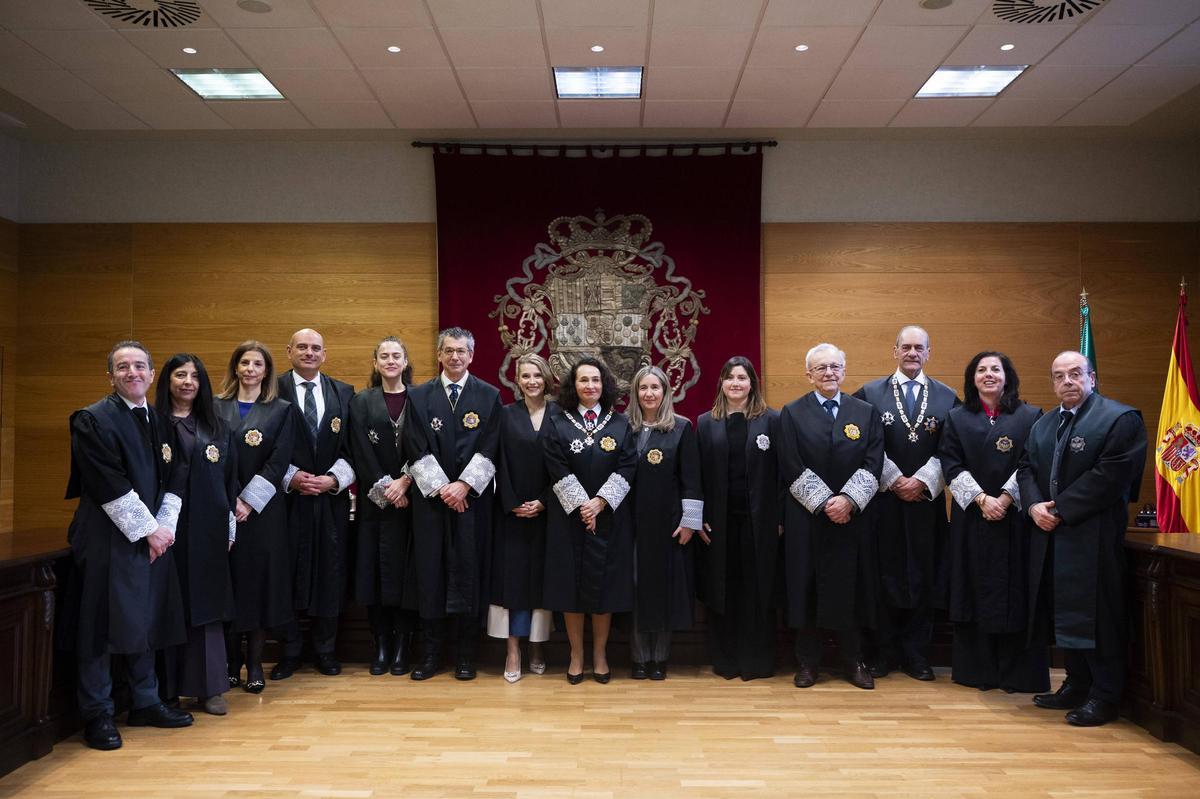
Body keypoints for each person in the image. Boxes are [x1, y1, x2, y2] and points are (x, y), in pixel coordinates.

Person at [61, 341, 193, 750]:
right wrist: (149, 531)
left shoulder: (161, 420)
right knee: (99, 625)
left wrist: (164, 528)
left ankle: (145, 701)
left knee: (146, 618)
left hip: (151, 539)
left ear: (152, 375)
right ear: (111, 376)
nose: (132, 372)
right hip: (106, 539)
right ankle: (98, 713)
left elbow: (176, 476)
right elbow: (107, 482)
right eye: (123, 367)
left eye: (139, 366)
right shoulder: (92, 420)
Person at [1019, 351, 1146, 727]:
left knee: (1098, 616)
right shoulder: (1044, 424)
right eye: (1059, 376)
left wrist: (1058, 509)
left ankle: (1105, 696)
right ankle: (1076, 684)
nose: (1068, 381)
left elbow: (1111, 476)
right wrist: (1032, 508)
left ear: (1092, 377)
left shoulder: (1119, 419)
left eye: (1076, 374)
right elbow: (1026, 469)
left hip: (1093, 538)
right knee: (1064, 611)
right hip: (1052, 537)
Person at [853, 325, 959, 681]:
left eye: (919, 348)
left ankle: (917, 655)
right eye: (906, 347)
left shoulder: (948, 398)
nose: (912, 353)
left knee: (922, 575)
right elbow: (862, 445)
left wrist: (923, 482)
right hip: (883, 502)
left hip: (926, 504)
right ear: (894, 350)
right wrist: (895, 479)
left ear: (929, 353)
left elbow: (953, 450)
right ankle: (883, 653)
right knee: (883, 574)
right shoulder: (868, 394)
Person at [940, 351, 1049, 694]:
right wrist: (981, 500)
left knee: (1016, 590)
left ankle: (1018, 674)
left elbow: (1033, 462)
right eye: (981, 370)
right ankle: (978, 671)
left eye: (995, 369)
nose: (988, 375)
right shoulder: (956, 418)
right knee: (973, 588)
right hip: (973, 518)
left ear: (1007, 376)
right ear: (972, 378)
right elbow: (950, 465)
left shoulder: (1031, 416)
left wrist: (1004, 497)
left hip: (1015, 518)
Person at [780, 343, 883, 690]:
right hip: (807, 520)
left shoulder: (865, 412)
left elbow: (874, 462)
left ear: (844, 370)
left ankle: (854, 660)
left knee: (851, 589)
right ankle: (808, 663)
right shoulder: (792, 413)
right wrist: (826, 502)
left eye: (835, 367)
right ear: (808, 374)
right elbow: (790, 463)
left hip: (851, 520)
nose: (829, 373)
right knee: (806, 588)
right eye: (821, 368)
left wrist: (848, 501)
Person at [403, 327, 502, 681]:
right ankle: (430, 656)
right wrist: (445, 488)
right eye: (449, 351)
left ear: (471, 356)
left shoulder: (490, 396)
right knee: (431, 575)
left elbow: (491, 447)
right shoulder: (418, 397)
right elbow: (415, 447)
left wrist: (464, 486)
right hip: (431, 504)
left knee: (469, 573)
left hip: (472, 505)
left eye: (462, 351)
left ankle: (466, 656)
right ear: (439, 356)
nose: (455, 356)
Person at [543, 356, 637, 684]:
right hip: (568, 520)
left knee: (604, 589)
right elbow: (555, 465)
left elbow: (628, 467)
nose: (590, 386)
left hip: (609, 519)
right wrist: (582, 505)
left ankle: (599, 653)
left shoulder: (620, 423)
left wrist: (600, 503)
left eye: (596, 380)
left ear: (605, 385)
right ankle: (576, 654)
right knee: (570, 588)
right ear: (574, 385)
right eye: (583, 380)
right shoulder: (558, 422)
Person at [154, 353, 239, 716]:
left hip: (207, 528)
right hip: (164, 530)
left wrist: (229, 524)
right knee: (168, 606)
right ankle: (167, 690)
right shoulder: (153, 424)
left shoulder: (217, 427)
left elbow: (230, 479)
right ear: (167, 381)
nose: (188, 381)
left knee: (207, 606)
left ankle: (210, 688)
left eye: (194, 376)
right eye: (180, 375)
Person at [273, 328, 355, 679]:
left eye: (316, 348)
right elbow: (261, 447)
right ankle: (289, 652)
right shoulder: (272, 389)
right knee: (286, 572)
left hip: (329, 499)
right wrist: (290, 476)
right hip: (287, 500)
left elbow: (355, 449)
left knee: (329, 572)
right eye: (302, 347)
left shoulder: (344, 393)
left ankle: (325, 649)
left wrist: (334, 479)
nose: (309, 352)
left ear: (325, 354)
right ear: (288, 350)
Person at [215, 341, 295, 695]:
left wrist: (248, 500)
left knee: (259, 588)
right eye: (244, 362)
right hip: (222, 509)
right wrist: (228, 499)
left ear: (267, 371)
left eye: (257, 364)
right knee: (228, 585)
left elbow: (279, 461)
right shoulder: (216, 408)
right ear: (235, 368)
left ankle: (255, 665)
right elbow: (209, 455)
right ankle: (230, 664)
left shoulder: (281, 409)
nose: (250, 369)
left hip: (262, 514)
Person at [695, 356, 780, 681]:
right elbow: (695, 474)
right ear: (721, 383)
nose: (735, 384)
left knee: (756, 591)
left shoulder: (771, 420)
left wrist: (780, 517)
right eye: (730, 378)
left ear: (752, 384)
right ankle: (726, 660)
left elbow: (782, 475)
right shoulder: (705, 422)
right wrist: (697, 515)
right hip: (718, 523)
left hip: (760, 523)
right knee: (724, 589)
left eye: (742, 378)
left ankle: (756, 660)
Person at [348, 336, 419, 676]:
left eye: (397, 356)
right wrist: (385, 488)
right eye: (384, 356)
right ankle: (381, 647)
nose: (391, 361)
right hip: (374, 507)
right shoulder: (361, 402)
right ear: (375, 363)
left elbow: (425, 448)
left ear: (406, 362)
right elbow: (359, 449)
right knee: (374, 576)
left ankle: (404, 647)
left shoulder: (420, 399)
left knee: (407, 577)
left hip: (412, 505)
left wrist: (405, 482)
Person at [626, 364, 702, 681]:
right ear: (635, 393)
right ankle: (638, 658)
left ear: (665, 392)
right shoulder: (621, 427)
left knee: (663, 590)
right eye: (643, 388)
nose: (649, 393)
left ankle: (659, 657)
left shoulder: (681, 428)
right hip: (630, 524)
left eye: (655, 388)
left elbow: (692, 479)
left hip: (668, 524)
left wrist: (690, 521)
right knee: (635, 589)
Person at [488, 354, 558, 682]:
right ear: (517, 380)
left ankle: (538, 645)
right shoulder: (503, 415)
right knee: (513, 585)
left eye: (537, 376)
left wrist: (544, 502)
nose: (532, 381)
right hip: (511, 514)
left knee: (543, 584)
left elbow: (565, 468)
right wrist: (512, 502)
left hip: (549, 514)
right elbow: (494, 462)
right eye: (525, 376)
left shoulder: (560, 416)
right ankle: (513, 649)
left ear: (546, 379)